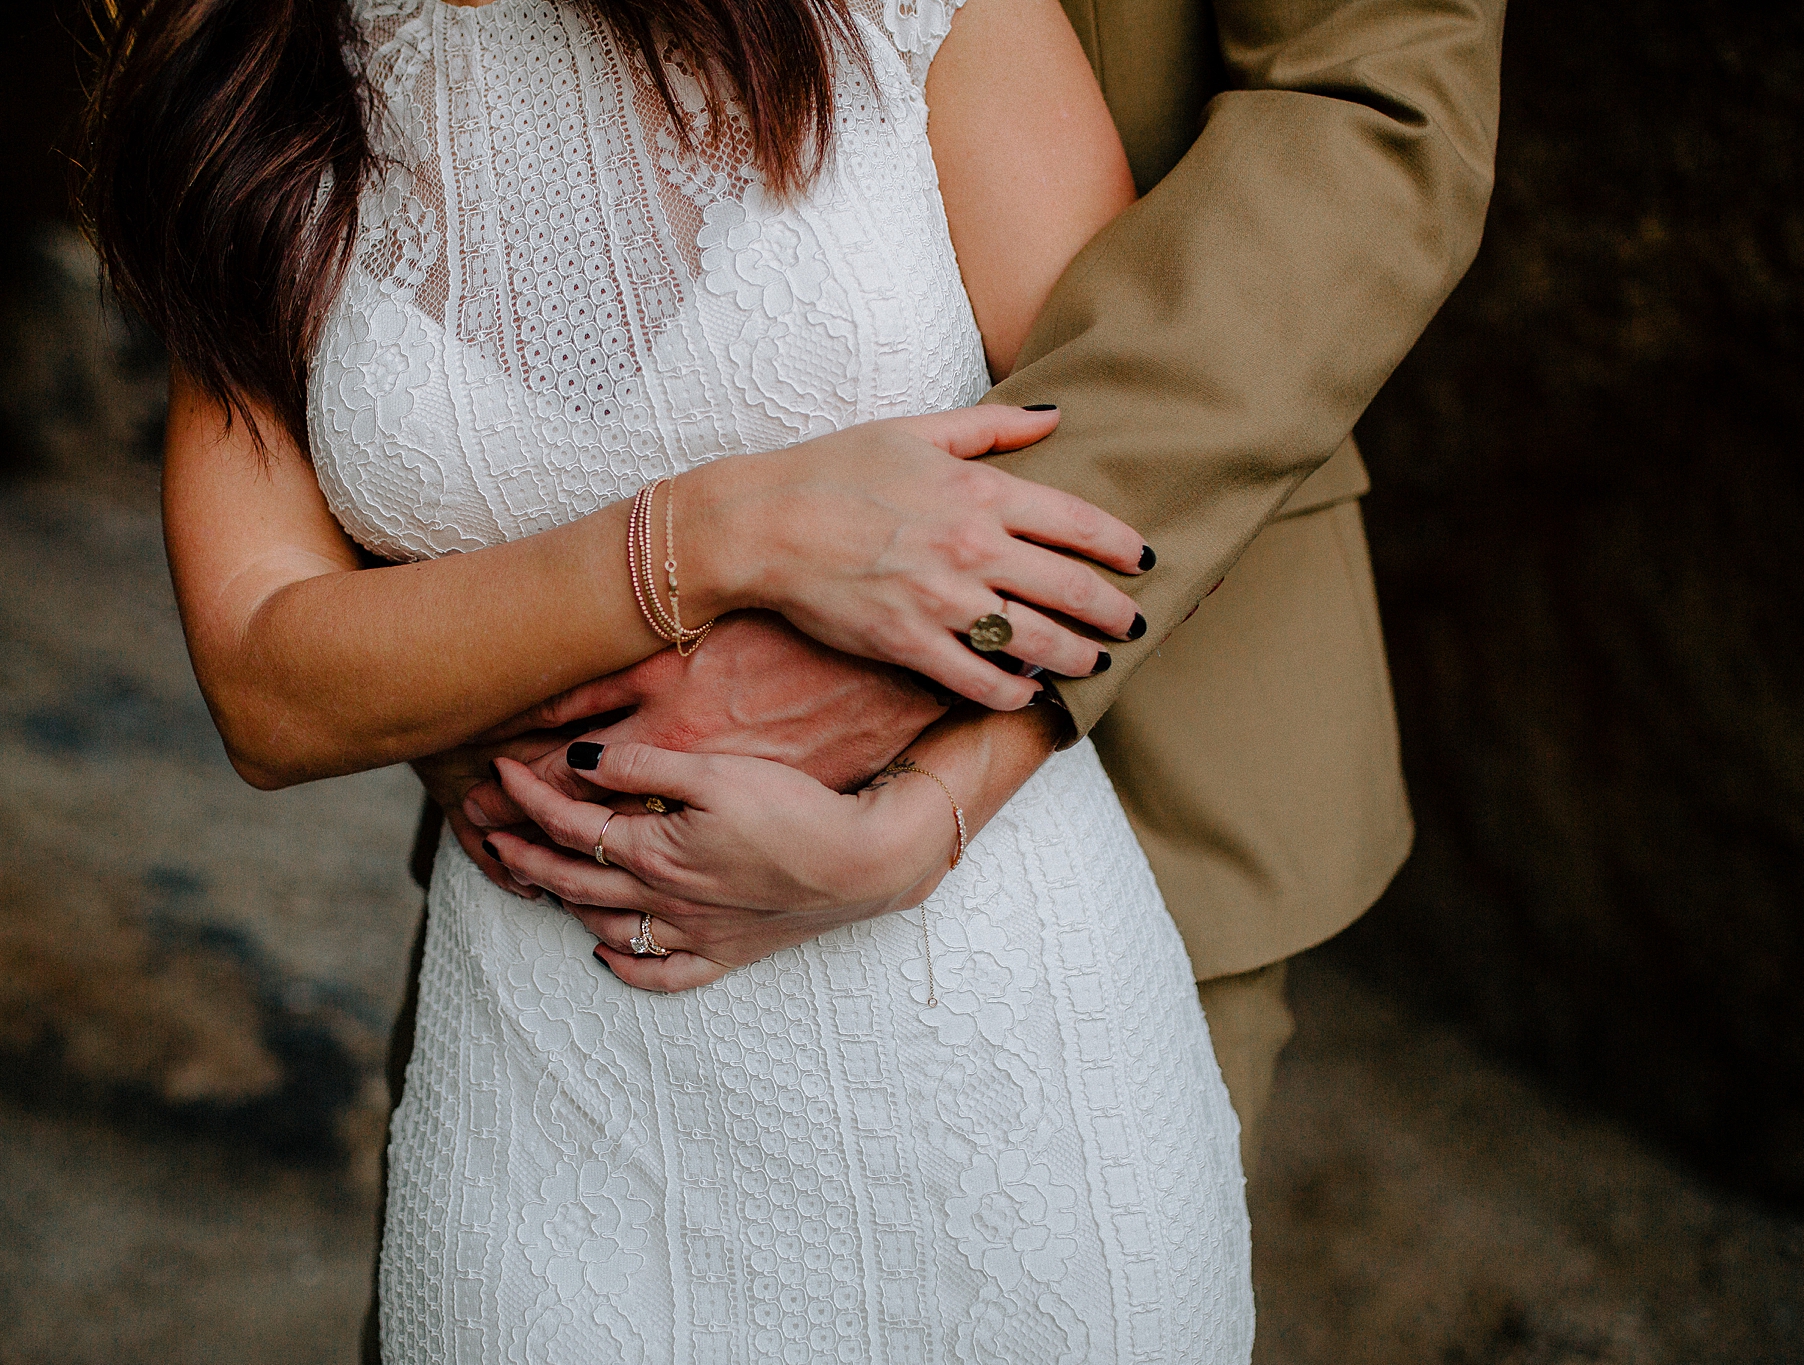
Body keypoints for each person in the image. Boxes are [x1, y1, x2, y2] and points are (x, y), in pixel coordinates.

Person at [79, 0, 1501, 1354]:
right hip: (556, 1023)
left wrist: (929, 807)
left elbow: (1137, 481)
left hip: (999, 1013)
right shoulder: (235, 91)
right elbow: (266, 671)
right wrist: (708, 538)